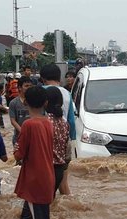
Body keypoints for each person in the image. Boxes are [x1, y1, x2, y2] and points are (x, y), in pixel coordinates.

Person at [13, 86, 55, 219]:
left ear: (25, 102)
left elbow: (20, 154)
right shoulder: (48, 123)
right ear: (46, 103)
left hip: (34, 180)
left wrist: (15, 151)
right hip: (46, 176)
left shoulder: (28, 124)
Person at [40, 64, 77, 195]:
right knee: (63, 183)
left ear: (43, 78)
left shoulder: (39, 92)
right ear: (59, 77)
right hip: (63, 140)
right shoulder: (67, 93)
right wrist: (72, 142)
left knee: (43, 184)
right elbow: (71, 121)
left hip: (44, 141)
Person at [45, 87, 70, 197]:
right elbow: (66, 148)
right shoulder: (64, 123)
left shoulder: (44, 122)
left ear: (45, 103)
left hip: (46, 169)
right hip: (59, 170)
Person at [9, 76, 32, 145]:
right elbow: (13, 120)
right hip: (19, 137)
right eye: (26, 86)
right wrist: (23, 132)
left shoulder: (34, 101)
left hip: (32, 136)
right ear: (19, 88)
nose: (29, 88)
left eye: (30, 86)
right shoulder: (13, 103)